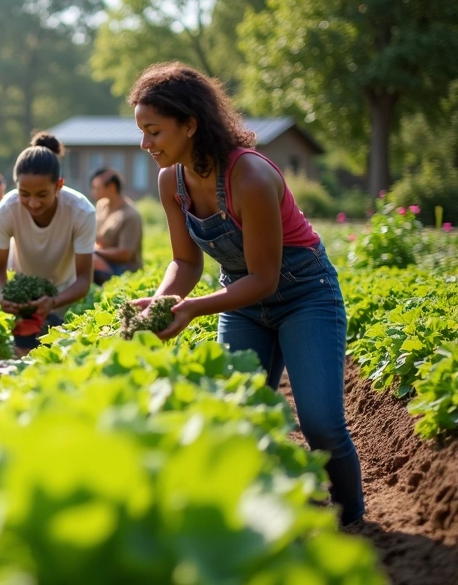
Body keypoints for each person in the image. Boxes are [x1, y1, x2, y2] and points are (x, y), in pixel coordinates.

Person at [128, 61, 364, 526]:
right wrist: (162, 302)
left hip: (303, 296)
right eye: (142, 132)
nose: (145, 145)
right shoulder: (170, 181)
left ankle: (354, 523)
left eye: (154, 131)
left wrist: (192, 309)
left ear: (190, 125)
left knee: (320, 423)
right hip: (241, 301)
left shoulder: (250, 177)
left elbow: (265, 278)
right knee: (235, 414)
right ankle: (255, 518)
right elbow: (186, 262)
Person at [0, 133, 96, 356]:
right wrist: (2, 298)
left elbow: (85, 279)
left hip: (66, 294)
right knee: (23, 354)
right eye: (24, 194)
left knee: (59, 356)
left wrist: (54, 301)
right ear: (15, 185)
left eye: (42, 194)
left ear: (59, 185)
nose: (33, 203)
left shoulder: (81, 211)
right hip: (23, 297)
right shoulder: (6, 210)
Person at [90, 168, 144, 284]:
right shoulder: (102, 205)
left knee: (89, 259)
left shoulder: (130, 215)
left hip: (125, 270)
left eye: (97, 188)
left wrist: (94, 251)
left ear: (112, 187)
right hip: (102, 260)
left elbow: (125, 254)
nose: (93, 192)